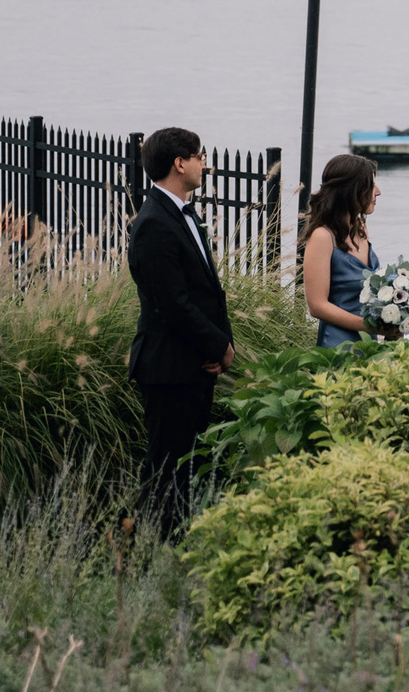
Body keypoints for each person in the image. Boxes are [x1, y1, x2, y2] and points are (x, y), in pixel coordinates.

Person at [126, 126, 233, 529]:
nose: (204, 163)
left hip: (191, 364)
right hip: (168, 368)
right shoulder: (155, 223)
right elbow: (171, 304)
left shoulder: (181, 213)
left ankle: (173, 547)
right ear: (180, 163)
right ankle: (153, 554)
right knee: (166, 469)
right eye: (200, 155)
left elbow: (207, 292)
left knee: (184, 468)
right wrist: (218, 346)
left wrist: (220, 345)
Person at [302, 153, 381, 347]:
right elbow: (317, 306)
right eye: (371, 186)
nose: (378, 192)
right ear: (351, 190)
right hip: (338, 346)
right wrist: (371, 327)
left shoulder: (361, 227)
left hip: (368, 344)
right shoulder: (322, 237)